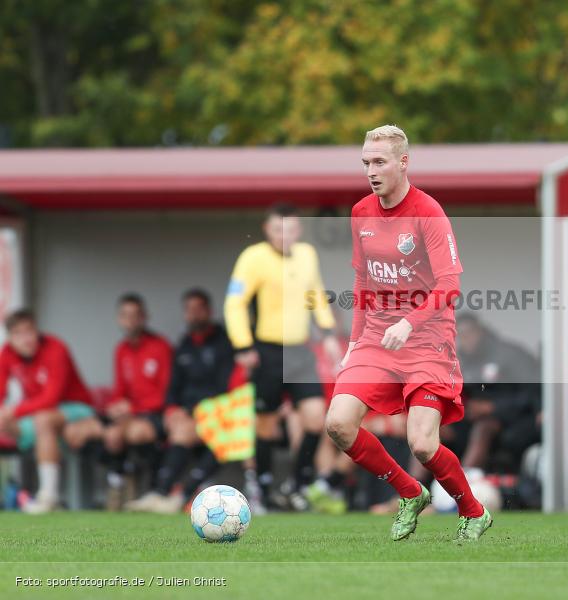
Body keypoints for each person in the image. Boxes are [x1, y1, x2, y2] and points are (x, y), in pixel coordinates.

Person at [325, 125, 492, 543]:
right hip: (376, 340)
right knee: (338, 425)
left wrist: (409, 321)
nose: (371, 171)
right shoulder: (361, 212)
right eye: (366, 162)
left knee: (421, 443)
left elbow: (449, 283)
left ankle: (473, 512)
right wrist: (353, 344)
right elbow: (363, 282)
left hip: (427, 342)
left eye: (379, 162)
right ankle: (409, 493)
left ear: (403, 162)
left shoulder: (428, 212)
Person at [225, 203, 343, 512]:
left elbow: (316, 294)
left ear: (298, 230)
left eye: (290, 229)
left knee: (317, 419)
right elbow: (235, 303)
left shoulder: (307, 254)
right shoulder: (254, 258)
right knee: (266, 425)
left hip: (300, 349)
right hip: (266, 350)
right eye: (278, 229)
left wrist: (329, 334)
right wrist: (243, 345)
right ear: (267, 230)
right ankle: (261, 488)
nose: (284, 236)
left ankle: (298, 483)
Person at [127, 289, 234, 513]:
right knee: (161, 428)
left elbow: (224, 387)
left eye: (198, 309)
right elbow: (173, 385)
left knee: (185, 430)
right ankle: (165, 493)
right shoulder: (184, 345)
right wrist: (173, 408)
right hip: (185, 413)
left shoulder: (225, 343)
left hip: (219, 413)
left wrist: (191, 410)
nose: (193, 315)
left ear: (209, 311)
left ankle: (172, 493)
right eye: (189, 310)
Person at [0, 310, 103, 513]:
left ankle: (48, 496)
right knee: (8, 424)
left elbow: (51, 398)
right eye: (18, 333)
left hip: (77, 407)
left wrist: (14, 410)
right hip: (41, 413)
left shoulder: (56, 347)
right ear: (10, 337)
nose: (26, 339)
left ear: (37, 330)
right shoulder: (7, 353)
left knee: (43, 420)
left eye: (29, 331)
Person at [102, 294, 172, 510]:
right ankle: (119, 482)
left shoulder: (160, 346)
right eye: (125, 315)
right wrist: (115, 405)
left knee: (137, 432)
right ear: (118, 319)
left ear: (144, 317)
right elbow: (119, 390)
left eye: (135, 315)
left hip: (156, 413)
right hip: (132, 415)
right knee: (111, 435)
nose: (130, 320)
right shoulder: (121, 349)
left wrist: (132, 408)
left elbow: (167, 393)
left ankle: (151, 488)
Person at [455, 313, 540, 473]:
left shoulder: (510, 354)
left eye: (468, 333)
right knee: (433, 427)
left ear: (480, 331)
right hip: (473, 421)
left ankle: (464, 483)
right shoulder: (462, 360)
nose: (465, 339)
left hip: (515, 419)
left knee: (484, 427)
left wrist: (493, 407)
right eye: (459, 335)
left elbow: (531, 396)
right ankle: (413, 491)